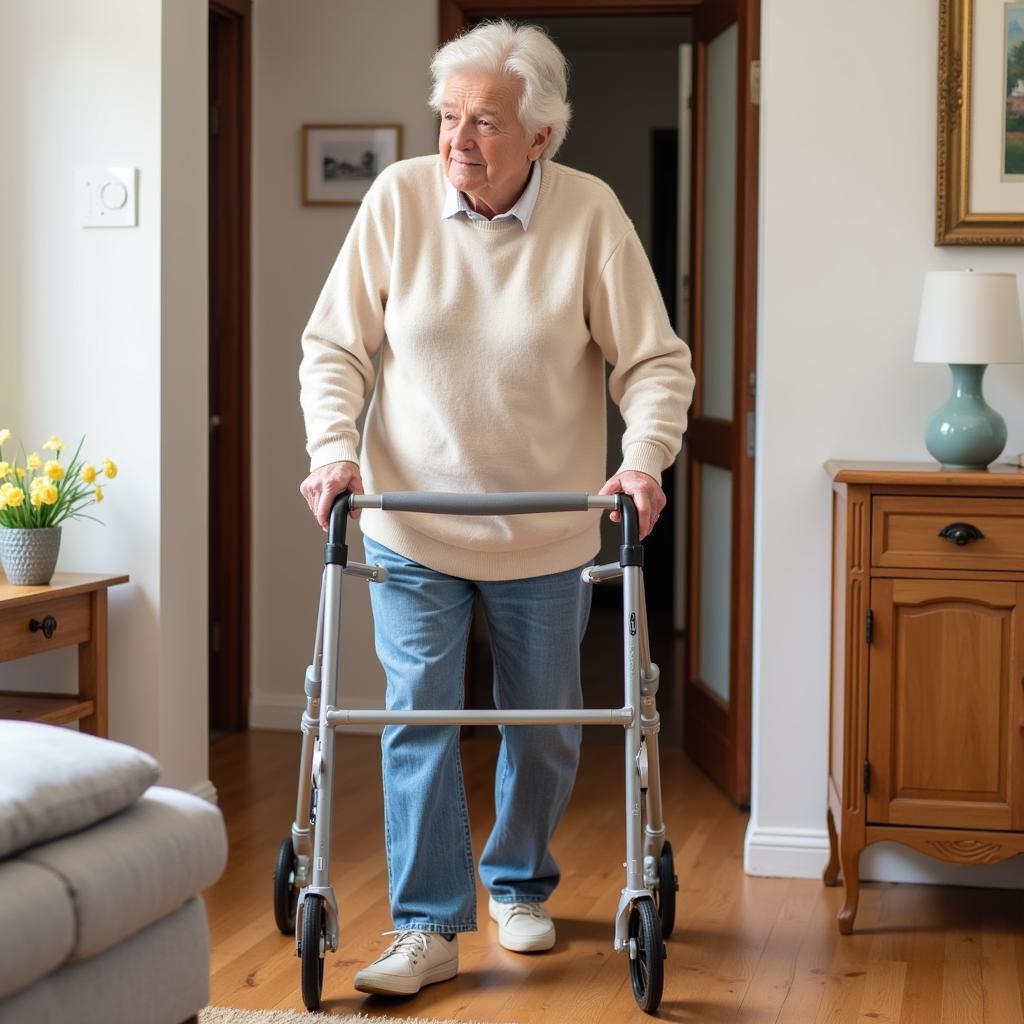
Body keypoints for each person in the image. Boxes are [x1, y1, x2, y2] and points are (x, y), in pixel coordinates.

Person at [298, 19, 695, 997]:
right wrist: (333, 451)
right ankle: (428, 925)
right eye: (446, 117)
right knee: (418, 714)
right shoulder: (396, 202)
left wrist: (642, 462)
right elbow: (335, 349)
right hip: (412, 523)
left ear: (541, 136)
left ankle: (519, 880)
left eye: (483, 121)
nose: (456, 142)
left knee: (546, 725)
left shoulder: (590, 216)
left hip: (546, 528)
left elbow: (653, 364)